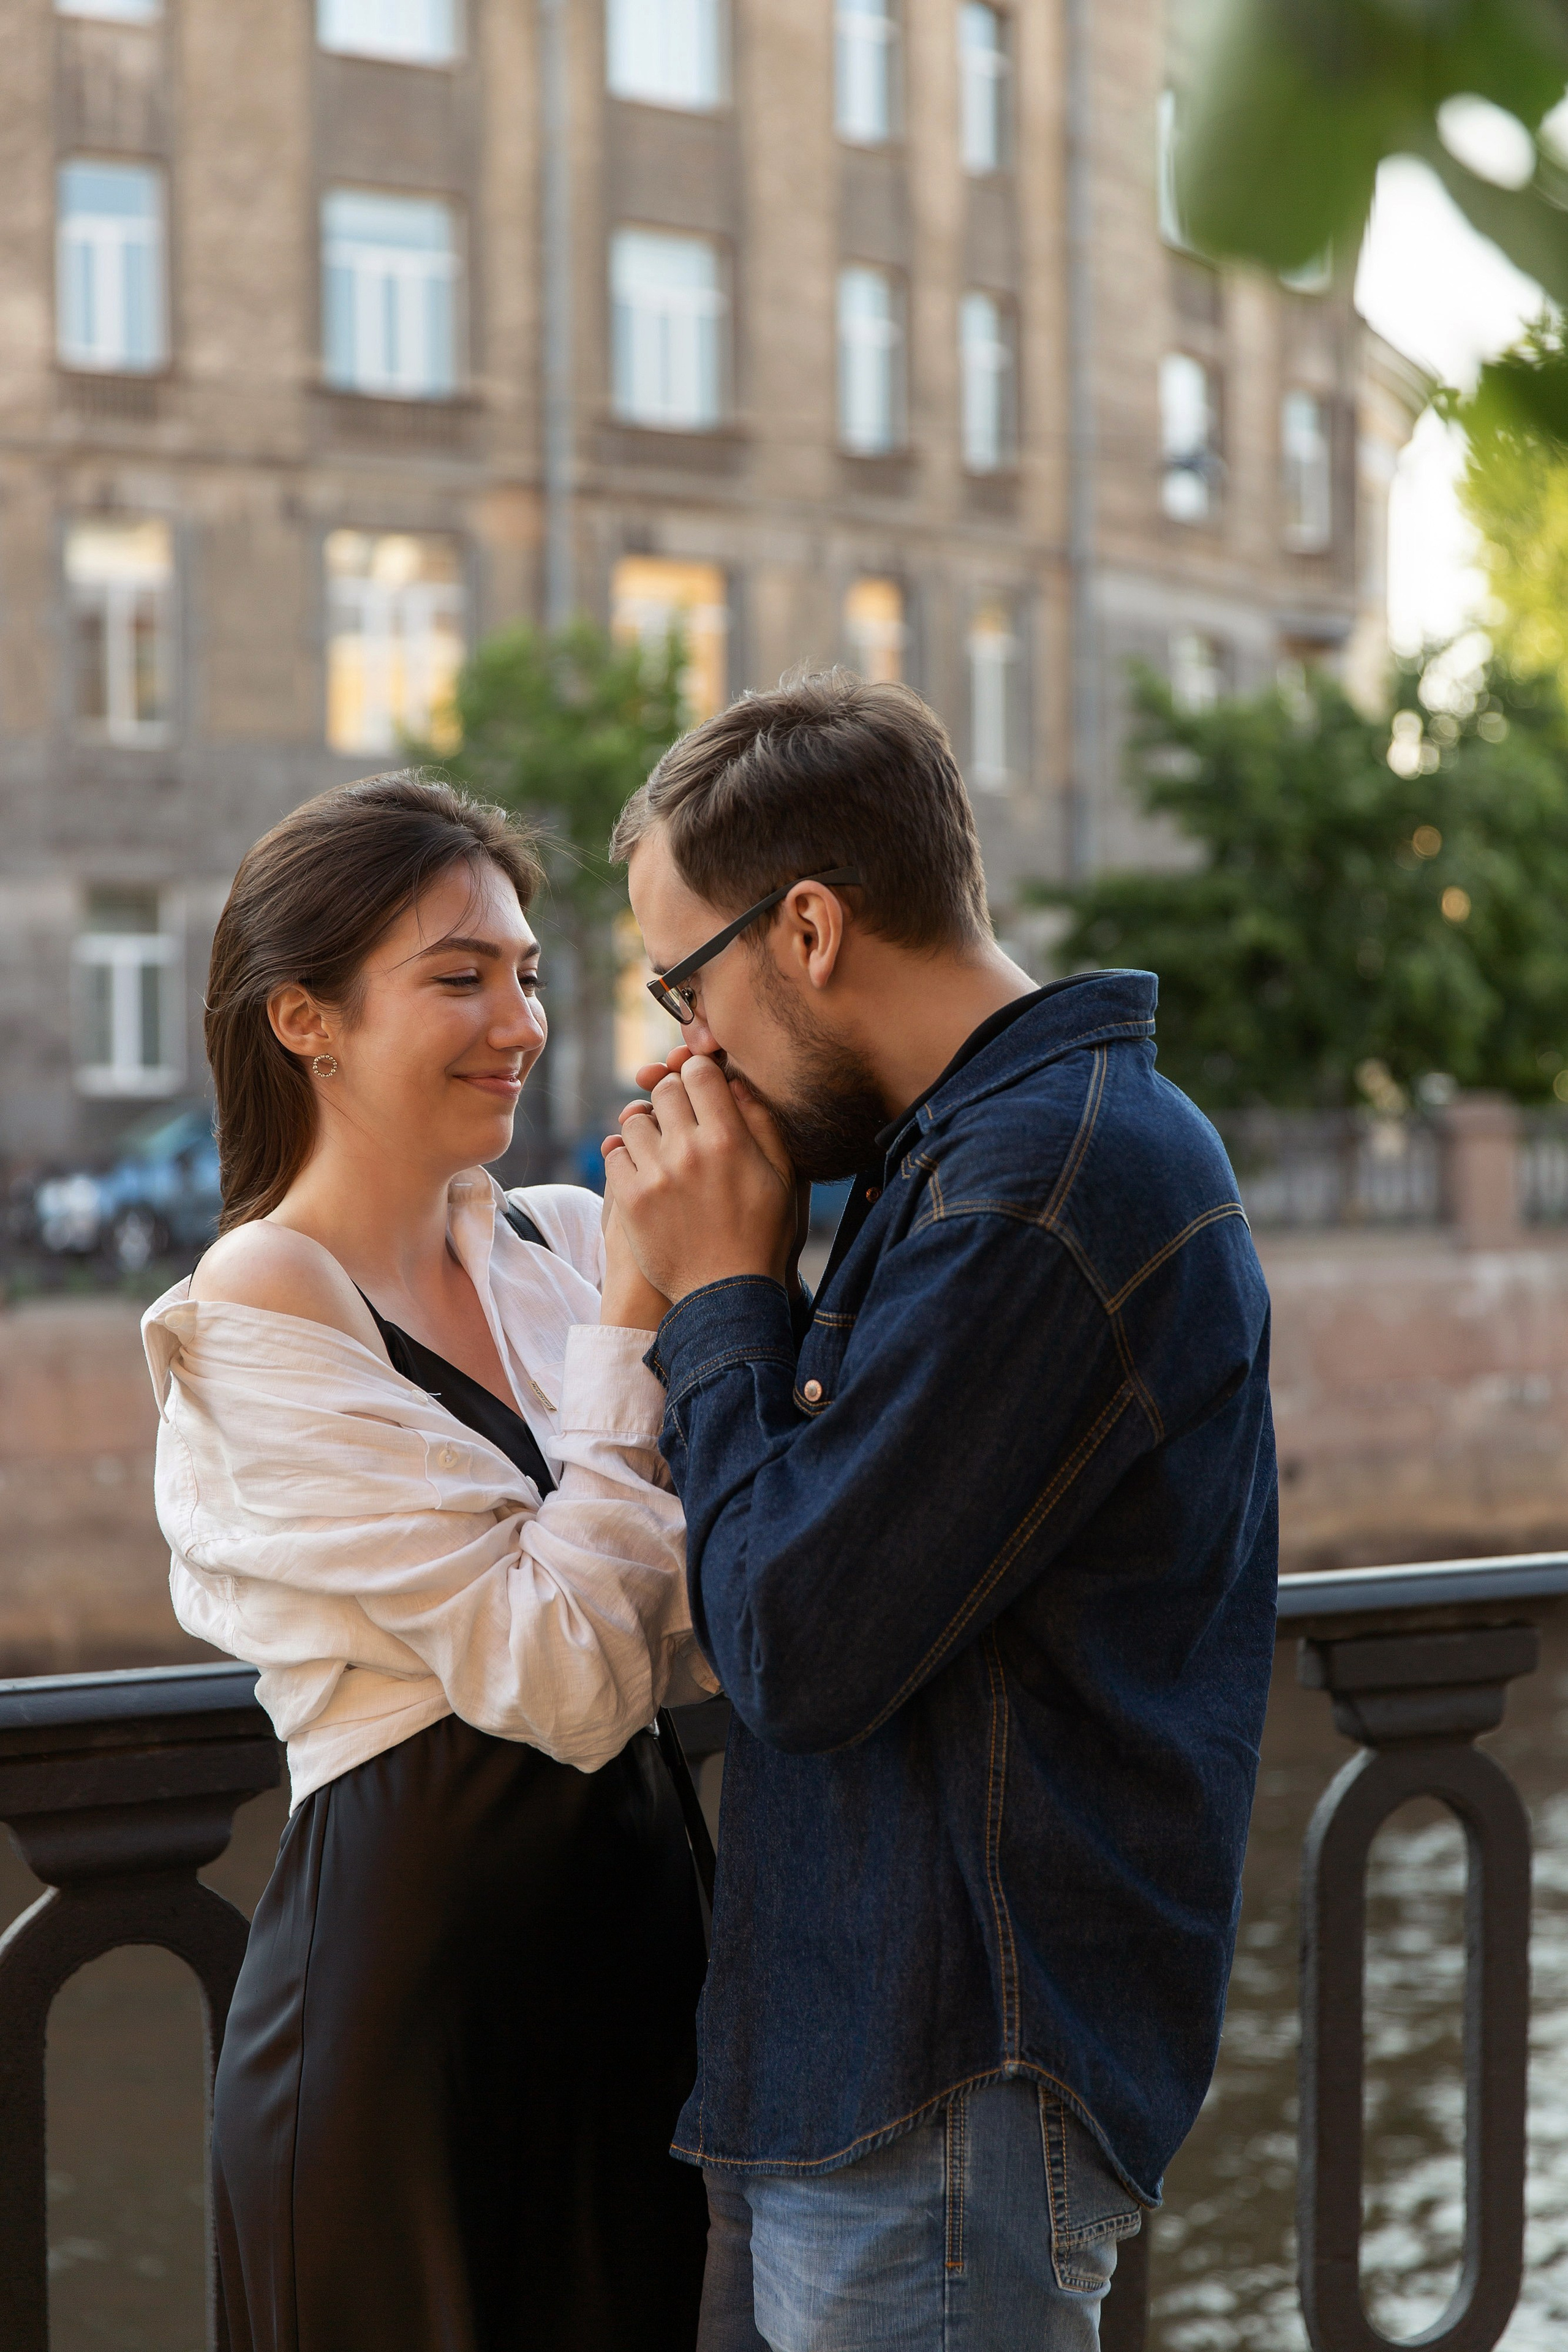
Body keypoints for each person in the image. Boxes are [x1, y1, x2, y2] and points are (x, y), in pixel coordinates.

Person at [600, 672, 1280, 2352]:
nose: (688, 1049)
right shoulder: (972, 1155)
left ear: (810, 928)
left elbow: (800, 1643)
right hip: (865, 2061)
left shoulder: (1043, 1185)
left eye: (688, 982)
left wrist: (716, 1300)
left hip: (945, 2080)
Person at [141, 772, 713, 2352]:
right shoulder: (263, 1298)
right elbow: (577, 1675)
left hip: (634, 1981)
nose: (519, 1020)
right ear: (304, 1020)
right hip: (410, 2013)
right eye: (458, 977)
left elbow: (713, 1589)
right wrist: (639, 1332)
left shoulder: (562, 1242)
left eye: (528, 974)